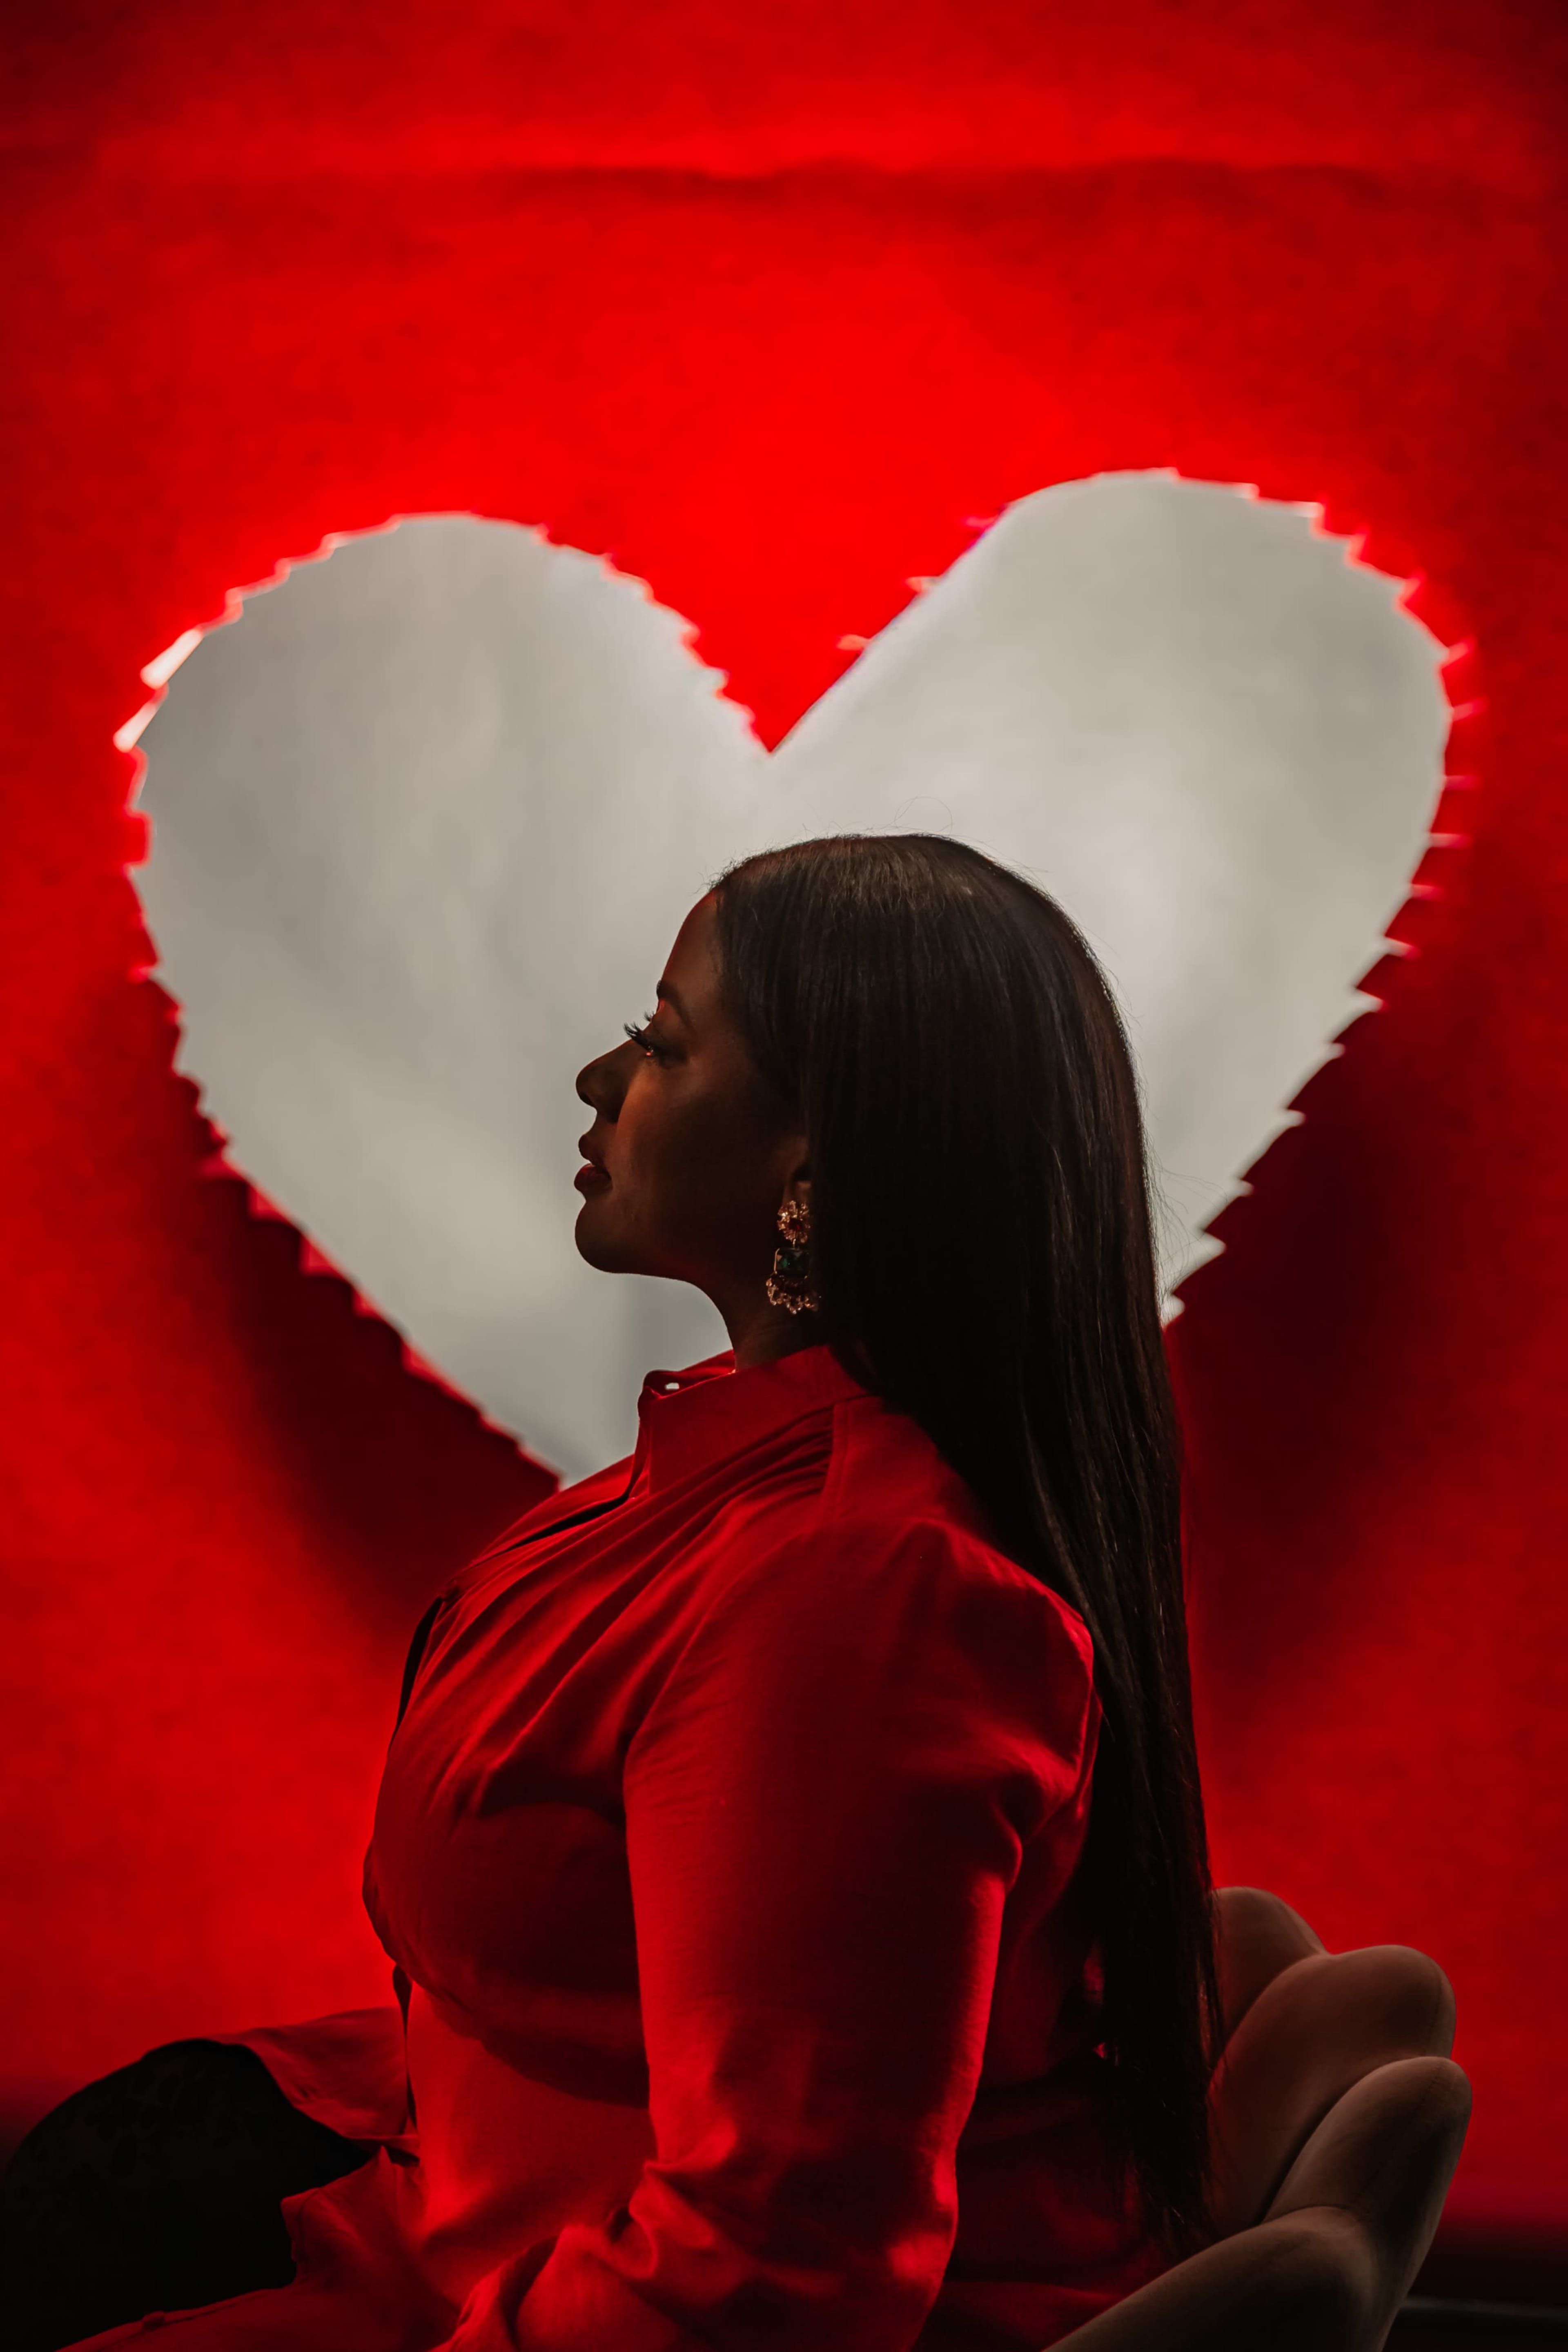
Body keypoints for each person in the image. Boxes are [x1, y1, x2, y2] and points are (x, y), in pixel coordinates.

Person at [2, 834, 1222, 2352]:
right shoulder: (744, 1469)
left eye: (661, 1044)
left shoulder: (860, 1596)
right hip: (446, 2206)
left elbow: (774, 2270)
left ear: (812, 1164)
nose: (598, 1079)